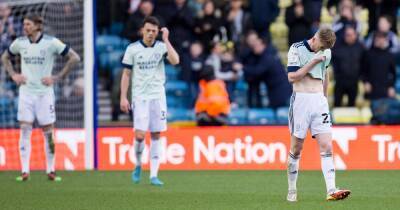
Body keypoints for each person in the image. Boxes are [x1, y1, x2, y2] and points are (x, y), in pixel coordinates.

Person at [1, 14, 80, 181]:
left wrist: (58, 77)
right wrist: (14, 74)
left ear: (38, 26)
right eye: (24, 24)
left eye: (28, 24)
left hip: (44, 94)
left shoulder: (51, 42)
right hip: (26, 93)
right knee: (24, 129)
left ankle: (50, 170)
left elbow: (74, 57)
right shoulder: (20, 42)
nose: (25, 27)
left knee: (48, 132)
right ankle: (24, 171)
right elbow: (4, 57)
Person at [286, 27, 350, 201]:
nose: (322, 51)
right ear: (314, 38)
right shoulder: (296, 48)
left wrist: (324, 98)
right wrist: (313, 62)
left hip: (319, 102)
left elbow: (325, 73)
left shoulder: (326, 52)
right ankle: (292, 189)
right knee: (296, 148)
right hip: (300, 100)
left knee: (327, 146)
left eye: (325, 49)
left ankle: (331, 190)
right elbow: (292, 77)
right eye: (321, 47)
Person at [120, 16, 180, 186]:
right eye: (148, 30)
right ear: (142, 31)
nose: (151, 34)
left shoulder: (161, 47)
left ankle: (154, 175)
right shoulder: (132, 49)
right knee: (139, 135)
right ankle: (138, 164)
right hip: (140, 97)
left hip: (158, 97)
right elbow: (126, 74)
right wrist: (123, 97)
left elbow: (176, 61)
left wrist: (166, 39)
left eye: (154, 31)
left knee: (156, 134)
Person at [332, 26, 364, 106]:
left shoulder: (360, 47)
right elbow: (333, 61)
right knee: (337, 105)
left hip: (354, 82)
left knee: (352, 106)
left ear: (355, 35)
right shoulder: (337, 46)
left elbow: (364, 63)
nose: (349, 37)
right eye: (347, 35)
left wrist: (360, 76)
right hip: (340, 81)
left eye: (351, 35)